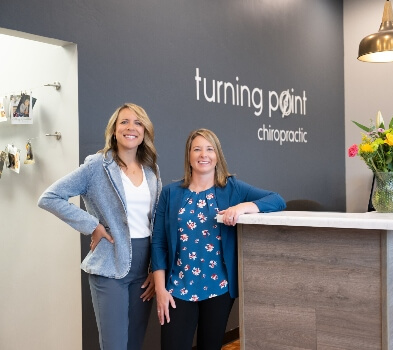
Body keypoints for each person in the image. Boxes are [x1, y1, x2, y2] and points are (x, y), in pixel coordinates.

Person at [38, 103, 162, 350]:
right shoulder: (97, 165)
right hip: (109, 266)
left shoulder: (151, 169)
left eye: (138, 123)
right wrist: (92, 225)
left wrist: (155, 268)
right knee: (115, 345)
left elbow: (154, 221)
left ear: (145, 131)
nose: (131, 127)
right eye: (124, 122)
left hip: (144, 267)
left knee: (135, 343)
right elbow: (50, 197)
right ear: (114, 130)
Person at [151, 128, 286, 350]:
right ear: (189, 155)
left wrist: (243, 207)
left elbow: (277, 200)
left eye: (209, 149)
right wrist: (160, 290)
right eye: (197, 149)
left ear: (217, 155)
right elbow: (158, 243)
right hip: (178, 287)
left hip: (218, 288)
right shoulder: (171, 193)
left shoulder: (231, 188)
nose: (203, 155)